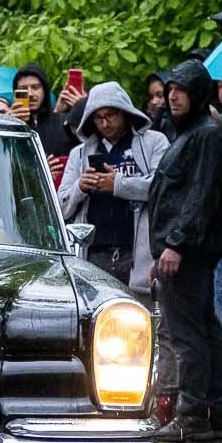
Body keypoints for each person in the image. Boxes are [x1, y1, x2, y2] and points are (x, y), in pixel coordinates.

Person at [147, 60, 222, 442]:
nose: (173, 96)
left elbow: (199, 196)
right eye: (170, 89)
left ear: (199, 92)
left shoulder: (207, 134)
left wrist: (175, 244)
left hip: (188, 250)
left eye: (181, 89)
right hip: (185, 248)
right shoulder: (193, 133)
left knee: (189, 334)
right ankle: (215, 412)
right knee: (203, 329)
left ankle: (195, 412)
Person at [57, 83, 166, 294]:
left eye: (110, 115)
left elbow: (163, 188)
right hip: (94, 253)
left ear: (125, 112)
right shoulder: (79, 153)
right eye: (98, 117)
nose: (105, 123)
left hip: (138, 254)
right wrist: (81, 186)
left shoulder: (154, 142)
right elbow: (61, 207)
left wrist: (118, 184)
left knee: (143, 321)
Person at [14, 64, 76, 164]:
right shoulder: (12, 126)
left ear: (45, 90)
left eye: (35, 87)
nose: (30, 94)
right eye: (23, 88)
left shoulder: (64, 122)